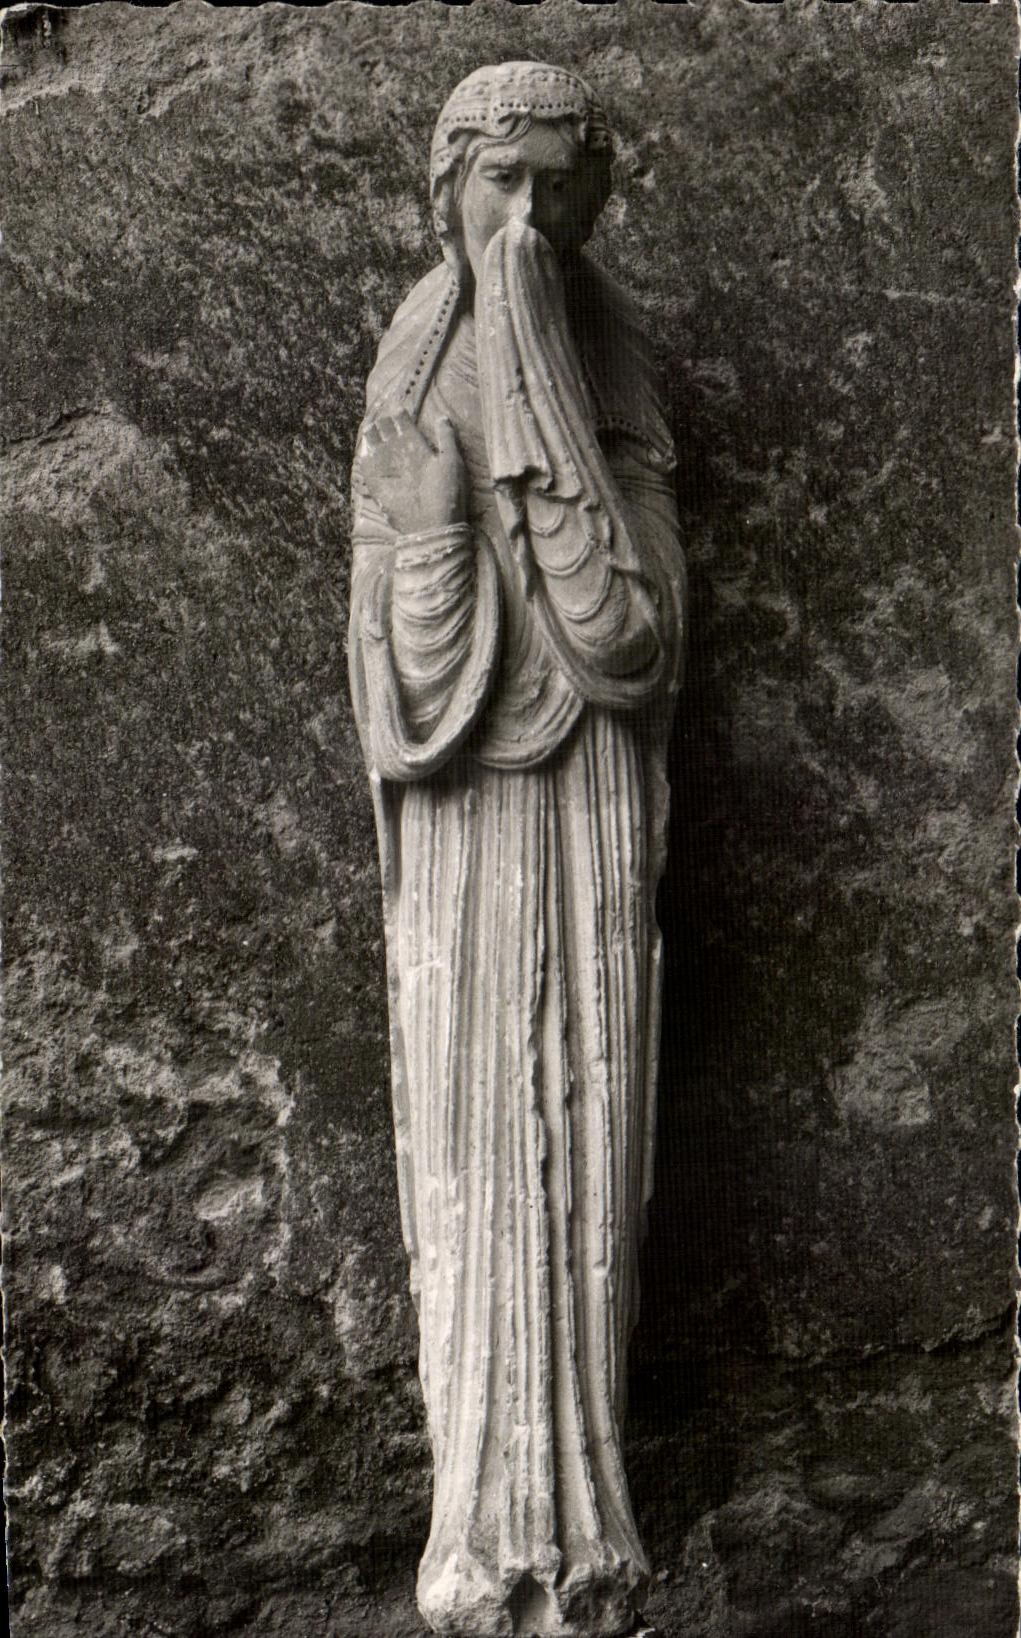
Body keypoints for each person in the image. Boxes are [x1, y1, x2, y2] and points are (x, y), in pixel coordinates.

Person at [348, 61, 685, 1638]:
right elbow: (397, 688)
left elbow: (633, 639)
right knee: (481, 1143)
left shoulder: (614, 355)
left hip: (591, 815)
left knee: (589, 1138)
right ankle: (475, 1529)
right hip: (470, 830)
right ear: (448, 192)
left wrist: (548, 428)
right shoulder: (413, 358)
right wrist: (431, 536)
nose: (525, 217)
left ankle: (591, 1523)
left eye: (556, 189)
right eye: (501, 186)